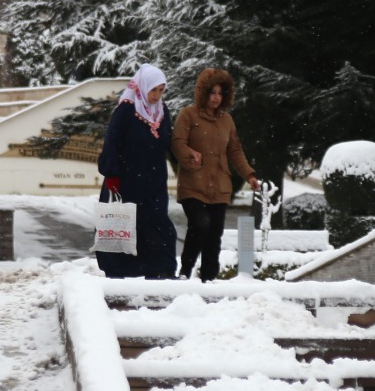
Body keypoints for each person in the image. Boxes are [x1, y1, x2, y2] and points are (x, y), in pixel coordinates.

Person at [172, 68, 259, 281]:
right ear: (203, 92)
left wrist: (249, 175)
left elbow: (235, 151)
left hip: (220, 186)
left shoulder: (227, 120)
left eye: (221, 93)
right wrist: (190, 154)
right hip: (193, 184)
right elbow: (176, 142)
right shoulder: (188, 115)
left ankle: (210, 279)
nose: (216, 98)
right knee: (200, 224)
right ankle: (185, 271)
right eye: (212, 93)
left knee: (214, 236)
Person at [96, 64, 178, 278]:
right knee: (124, 224)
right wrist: (112, 174)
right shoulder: (126, 110)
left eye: (161, 90)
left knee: (157, 222)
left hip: (153, 181)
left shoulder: (162, 112)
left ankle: (161, 269)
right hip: (126, 181)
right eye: (153, 90)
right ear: (142, 87)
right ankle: (118, 271)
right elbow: (112, 143)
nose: (156, 95)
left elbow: (169, 143)